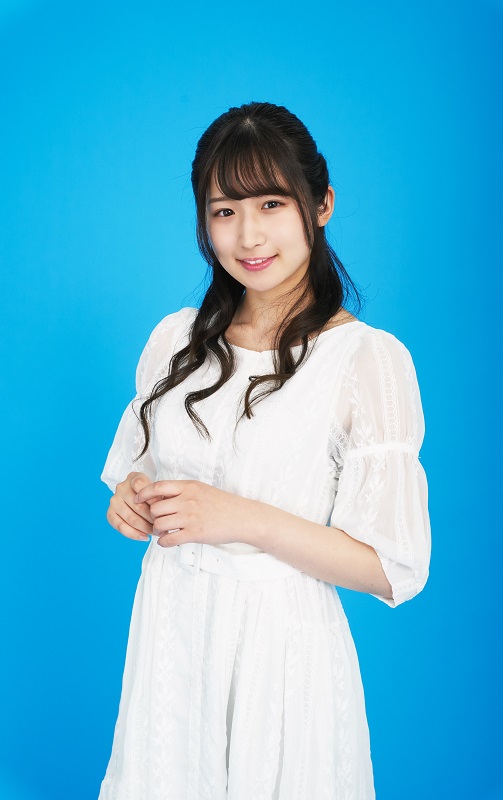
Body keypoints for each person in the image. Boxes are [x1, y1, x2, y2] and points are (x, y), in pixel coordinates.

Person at [98, 100, 431, 800]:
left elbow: (390, 566)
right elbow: (141, 471)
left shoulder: (365, 360)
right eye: (224, 211)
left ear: (321, 205)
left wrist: (240, 518)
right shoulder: (175, 340)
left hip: (281, 656)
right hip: (172, 639)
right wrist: (130, 499)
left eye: (271, 204)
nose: (247, 235)